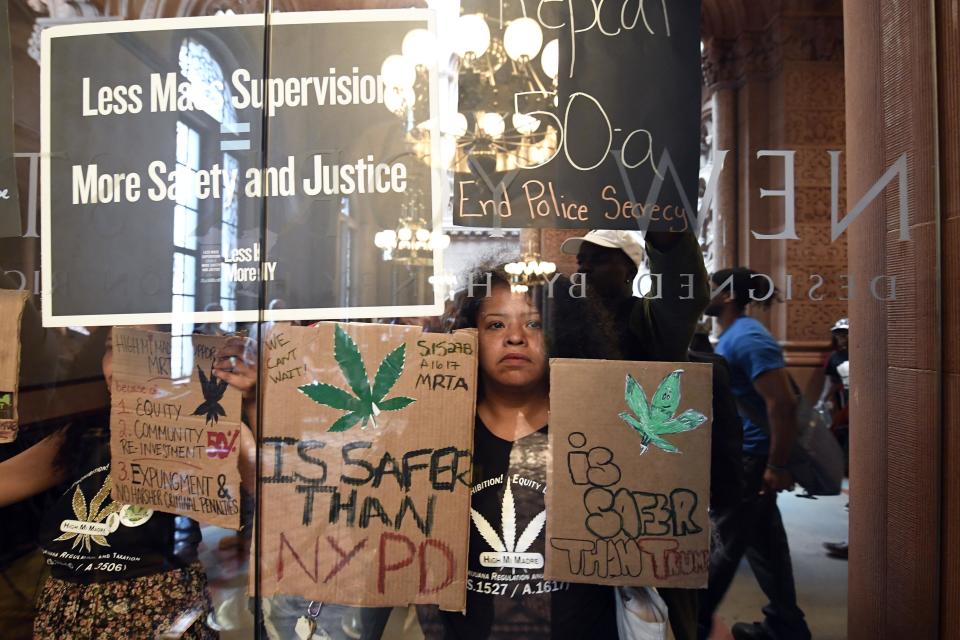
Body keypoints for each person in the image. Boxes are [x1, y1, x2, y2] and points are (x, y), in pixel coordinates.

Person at [0, 328, 256, 639]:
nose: (118, 367)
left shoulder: (199, 429)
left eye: (136, 351)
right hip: (67, 613)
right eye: (112, 348)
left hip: (157, 611)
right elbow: (9, 480)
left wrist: (241, 405)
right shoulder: (84, 432)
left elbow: (259, 487)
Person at [419, 267, 620, 639]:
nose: (515, 338)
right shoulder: (432, 432)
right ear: (469, 335)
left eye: (535, 324)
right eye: (496, 325)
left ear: (564, 333)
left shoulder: (604, 432)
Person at [560, 228, 712, 640]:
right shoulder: (564, 319)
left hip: (646, 492)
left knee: (652, 610)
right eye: (582, 260)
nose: (585, 267)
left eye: (599, 258)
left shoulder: (652, 320)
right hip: (578, 480)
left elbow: (687, 297)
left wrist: (668, 241)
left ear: (630, 268)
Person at [699, 268, 811, 640]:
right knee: (765, 544)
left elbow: (782, 404)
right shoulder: (735, 335)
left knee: (722, 544)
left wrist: (776, 465)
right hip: (750, 455)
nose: (704, 292)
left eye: (711, 287)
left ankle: (693, 623)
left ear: (728, 296)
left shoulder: (748, 338)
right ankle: (785, 624)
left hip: (752, 459)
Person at [817, 318, 850, 560]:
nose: (842, 338)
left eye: (845, 333)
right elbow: (831, 383)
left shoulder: (866, 352)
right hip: (843, 409)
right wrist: (822, 404)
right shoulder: (835, 358)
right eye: (839, 334)